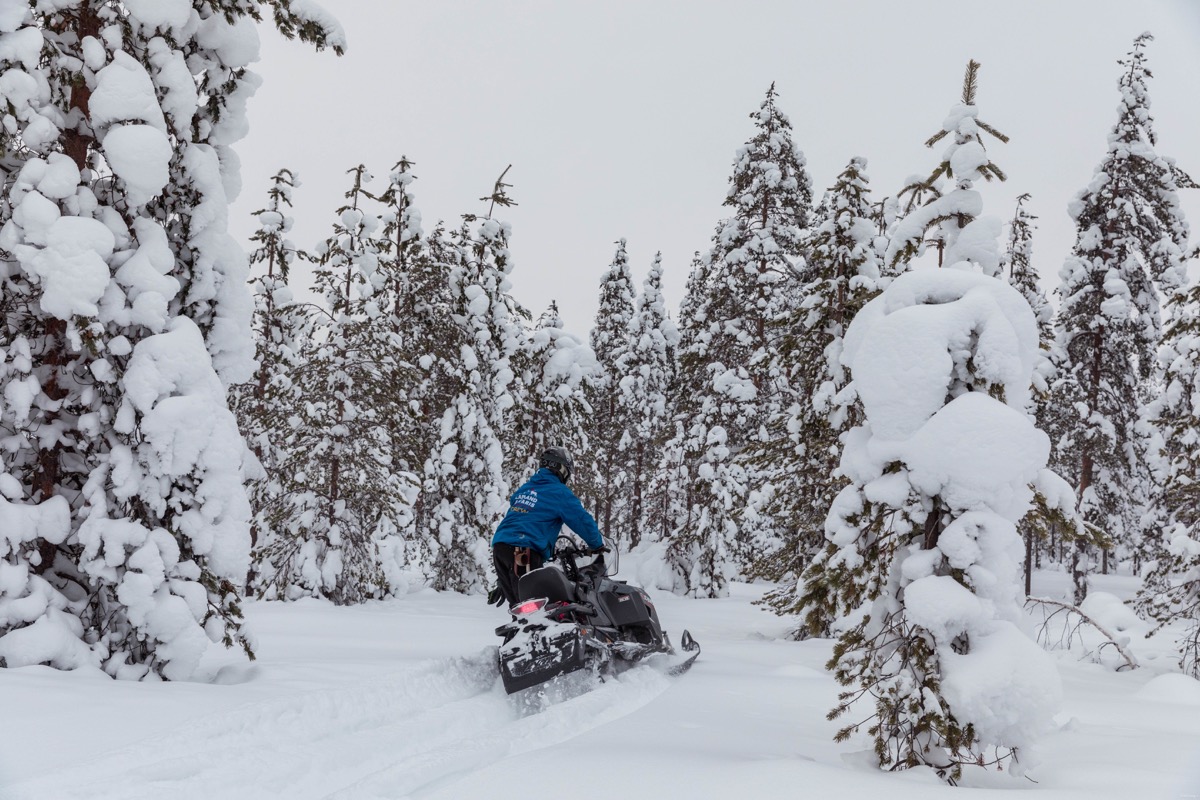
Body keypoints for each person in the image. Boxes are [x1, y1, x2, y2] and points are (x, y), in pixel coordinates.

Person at [490, 446, 605, 609]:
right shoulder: (558, 492)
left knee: (520, 608)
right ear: (561, 469)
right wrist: (597, 545)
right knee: (533, 609)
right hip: (523, 550)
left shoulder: (526, 489)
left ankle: (520, 634)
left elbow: (521, 518)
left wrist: (505, 577)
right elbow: (581, 520)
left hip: (501, 548)